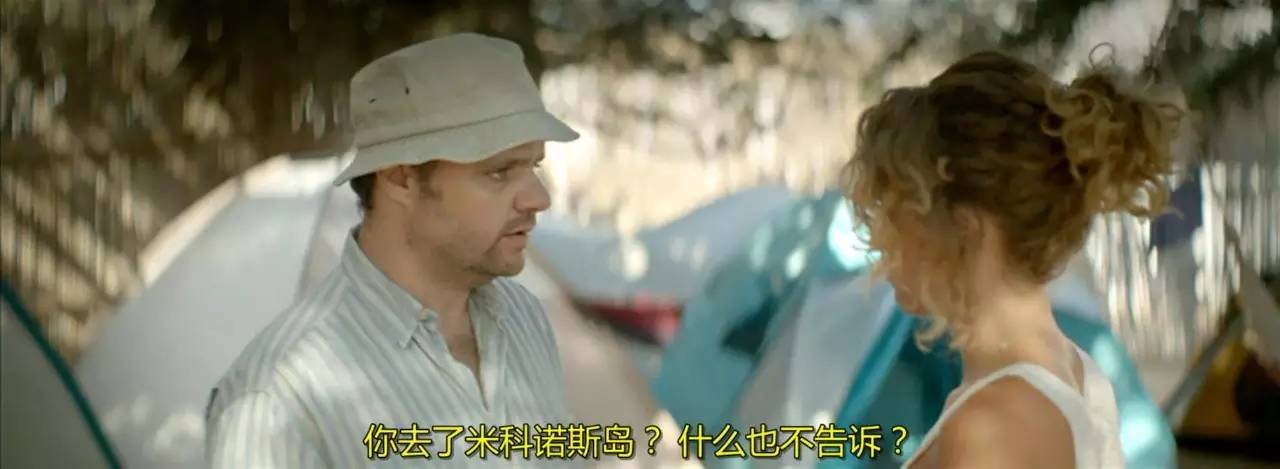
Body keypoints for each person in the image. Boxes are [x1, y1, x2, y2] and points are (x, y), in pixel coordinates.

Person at [205, 33, 580, 467]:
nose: (539, 198)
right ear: (400, 177)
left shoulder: (524, 319)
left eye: (534, 165)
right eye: (499, 172)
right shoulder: (278, 399)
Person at [838, 49, 1183, 468]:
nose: (880, 237)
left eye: (895, 208)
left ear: (964, 225)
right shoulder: (1077, 373)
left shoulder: (992, 425)